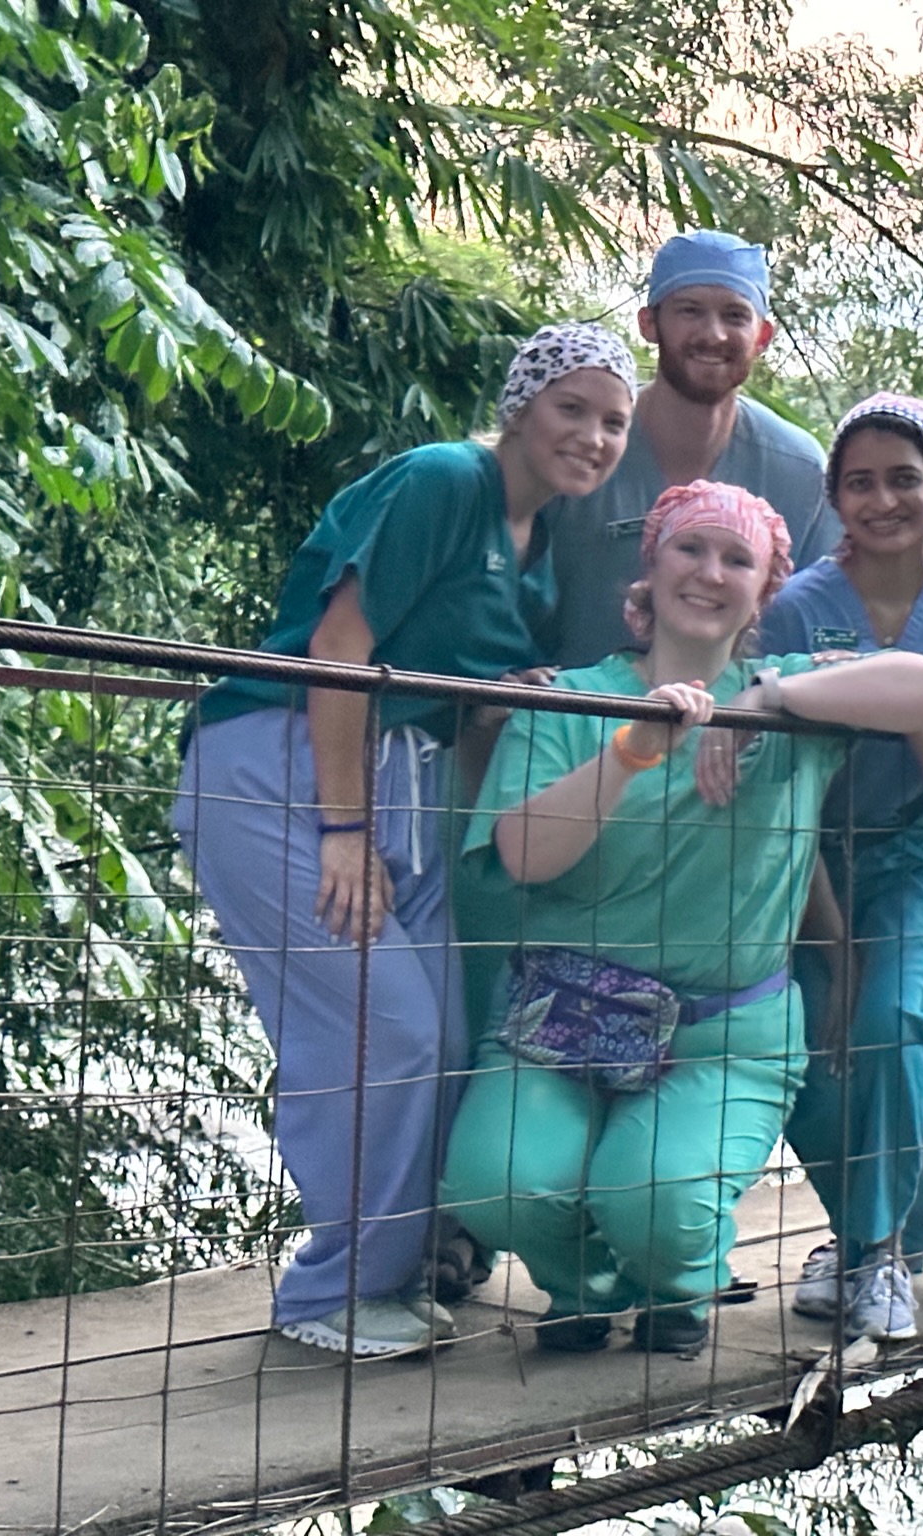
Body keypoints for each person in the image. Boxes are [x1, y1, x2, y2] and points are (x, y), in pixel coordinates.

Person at [172, 324, 638, 1358]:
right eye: (572, 408)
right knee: (380, 1034)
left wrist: (498, 698)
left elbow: (455, 694)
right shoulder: (443, 480)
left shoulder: (540, 549)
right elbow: (341, 646)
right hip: (286, 769)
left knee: (447, 1036)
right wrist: (345, 829)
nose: (593, 436)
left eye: (614, 422)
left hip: (412, 789)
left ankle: (379, 1278)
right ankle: (327, 1296)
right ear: (520, 404)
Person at [440, 481, 923, 1356]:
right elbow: (526, 857)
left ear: (763, 593)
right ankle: (586, 1288)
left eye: (736, 559)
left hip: (721, 1037)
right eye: (690, 548)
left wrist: (763, 702)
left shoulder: (798, 693)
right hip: (560, 1024)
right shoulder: (572, 699)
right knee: (499, 1187)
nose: (710, 573)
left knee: (656, 1200)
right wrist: (632, 750)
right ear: (651, 567)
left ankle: (675, 1282)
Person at [759, 394, 923, 1342]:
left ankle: (880, 1256)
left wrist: (913, 721)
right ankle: (856, 1237)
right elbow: (779, 782)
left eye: (904, 480)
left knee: (891, 1023)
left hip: (920, 857)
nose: (883, 501)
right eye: (860, 483)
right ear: (833, 497)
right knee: (800, 1041)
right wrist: (832, 938)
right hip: (804, 861)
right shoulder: (795, 611)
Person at [542, 229, 841, 668]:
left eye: (735, 316)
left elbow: (815, 618)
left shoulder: (798, 470)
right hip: (569, 706)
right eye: (690, 311)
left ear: (762, 336)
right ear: (649, 323)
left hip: (736, 710)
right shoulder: (583, 448)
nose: (713, 334)